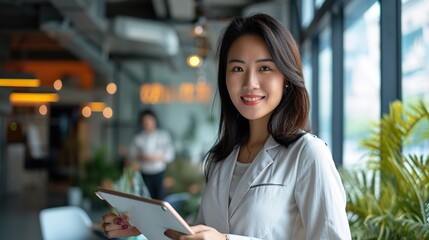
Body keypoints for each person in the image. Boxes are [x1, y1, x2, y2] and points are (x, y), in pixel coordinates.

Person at [102, 13, 351, 240]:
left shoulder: (308, 154)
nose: (250, 82)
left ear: (286, 77)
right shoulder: (219, 159)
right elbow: (202, 233)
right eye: (237, 68)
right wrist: (148, 225)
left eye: (265, 68)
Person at [127, 109, 175, 200]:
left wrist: (158, 157)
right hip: (144, 173)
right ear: (141, 123)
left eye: (150, 120)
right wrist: (142, 157)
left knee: (160, 199)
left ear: (155, 121)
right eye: (145, 121)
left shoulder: (163, 136)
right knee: (145, 198)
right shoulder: (138, 138)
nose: (148, 123)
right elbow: (131, 154)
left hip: (159, 173)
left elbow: (170, 155)